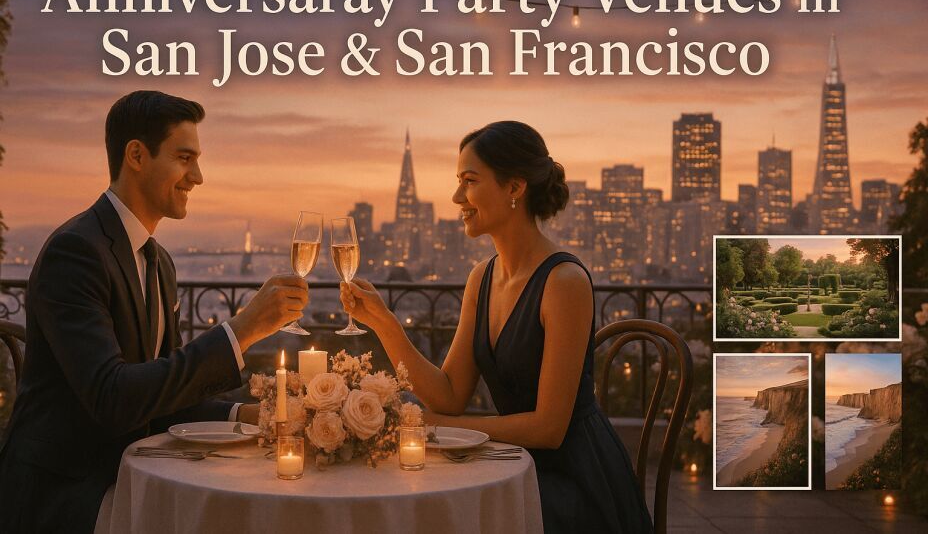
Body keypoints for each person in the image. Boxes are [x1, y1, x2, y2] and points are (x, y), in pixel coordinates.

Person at [0, 91, 309, 533]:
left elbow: (163, 393)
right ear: (137, 156)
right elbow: (113, 397)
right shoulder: (76, 252)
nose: (198, 176)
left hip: (127, 472)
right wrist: (241, 330)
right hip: (67, 494)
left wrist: (250, 416)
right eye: (185, 158)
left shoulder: (158, 262)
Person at [340, 121, 653, 533]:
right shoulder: (481, 278)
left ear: (514, 188)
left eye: (469, 181)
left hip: (570, 482)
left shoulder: (564, 282)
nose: (456, 198)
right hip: (510, 462)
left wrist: (430, 426)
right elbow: (449, 394)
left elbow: (548, 429)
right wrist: (383, 323)